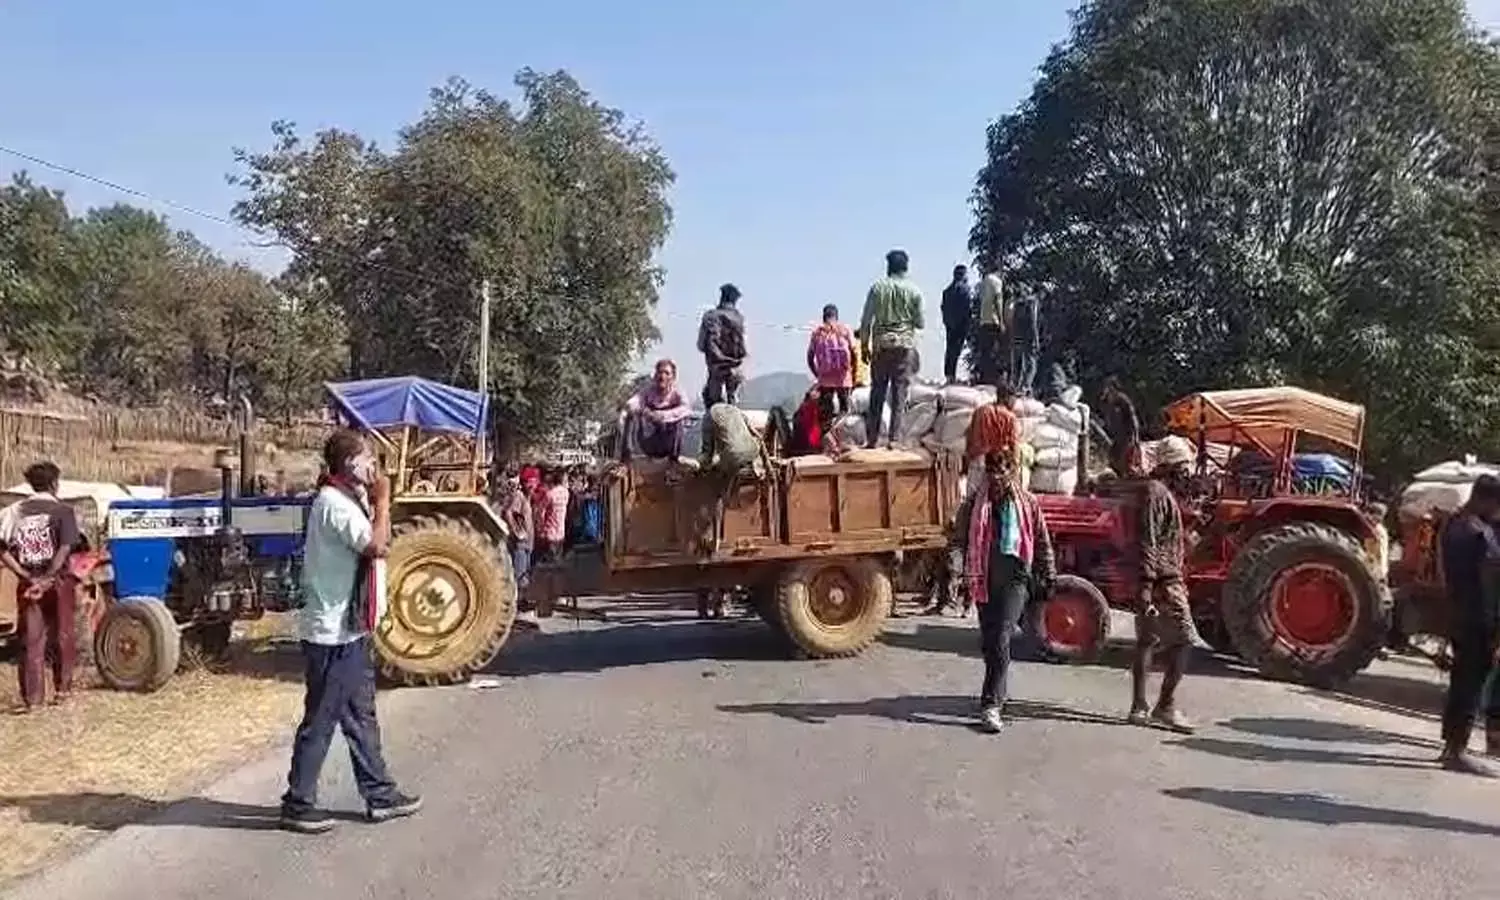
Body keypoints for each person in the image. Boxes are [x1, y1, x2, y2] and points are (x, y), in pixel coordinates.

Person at [281, 430, 420, 833]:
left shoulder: (347, 499)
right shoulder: (334, 504)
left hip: (349, 630)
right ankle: (297, 803)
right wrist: (383, 501)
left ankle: (380, 795)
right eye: (367, 458)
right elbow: (376, 546)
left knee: (361, 716)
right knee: (321, 719)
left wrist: (376, 503)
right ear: (348, 464)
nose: (373, 465)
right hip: (331, 633)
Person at [950, 446, 1056, 733]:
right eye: (992, 470)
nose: (997, 476)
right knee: (989, 643)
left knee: (1001, 637)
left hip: (1015, 581)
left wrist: (1048, 573)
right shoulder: (973, 504)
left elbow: (1042, 540)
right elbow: (958, 541)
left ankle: (991, 705)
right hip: (983, 580)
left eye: (1003, 470)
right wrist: (957, 570)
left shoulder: (1027, 503)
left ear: (1012, 471)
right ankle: (999, 689)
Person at [1127, 435, 1197, 734]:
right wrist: (1147, 584)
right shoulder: (1157, 494)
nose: (1187, 476)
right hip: (1163, 581)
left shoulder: (1156, 492)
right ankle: (1164, 706)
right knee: (1185, 639)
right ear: (1172, 467)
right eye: (1184, 469)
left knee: (1148, 640)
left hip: (1155, 579)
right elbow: (1149, 540)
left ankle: (1139, 707)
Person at [0, 461, 80, 713]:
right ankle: (63, 691)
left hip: (29, 581)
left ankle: (33, 699)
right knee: (63, 634)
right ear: (54, 484)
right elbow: (65, 548)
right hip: (57, 581)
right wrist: (48, 579)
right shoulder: (64, 512)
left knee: (32, 639)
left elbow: (2, 549)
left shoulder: (14, 512)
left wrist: (24, 574)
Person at [1436, 474, 1500, 775]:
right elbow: (1489, 585)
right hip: (1478, 621)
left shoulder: (1453, 525)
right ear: (1488, 500)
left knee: (1461, 681)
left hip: (1460, 615)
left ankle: (1451, 746)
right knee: (1470, 685)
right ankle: (1456, 751)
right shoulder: (1479, 535)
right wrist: (1495, 627)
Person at [859, 249, 925, 449]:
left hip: (881, 346)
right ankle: (894, 439)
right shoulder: (914, 291)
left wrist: (864, 346)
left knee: (877, 393)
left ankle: (872, 439)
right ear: (906, 267)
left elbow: (866, 321)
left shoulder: (877, 288)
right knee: (899, 394)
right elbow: (920, 323)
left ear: (888, 267)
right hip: (904, 347)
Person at [624, 359, 693, 460]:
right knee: (631, 415)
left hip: (669, 442)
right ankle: (626, 456)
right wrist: (645, 412)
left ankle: (673, 460)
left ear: (673, 377)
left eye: (666, 373)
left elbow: (686, 408)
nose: (662, 377)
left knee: (679, 422)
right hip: (649, 440)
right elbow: (634, 402)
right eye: (660, 372)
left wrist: (663, 416)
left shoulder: (678, 392)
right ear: (655, 375)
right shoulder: (649, 390)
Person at [698, 284, 747, 407]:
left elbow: (701, 345)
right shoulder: (739, 319)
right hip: (735, 366)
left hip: (715, 367)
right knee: (732, 403)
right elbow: (742, 349)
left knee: (713, 404)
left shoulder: (710, 316)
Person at [807, 304, 856, 426]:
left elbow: (810, 357)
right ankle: (837, 429)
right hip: (843, 378)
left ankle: (827, 431)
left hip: (825, 379)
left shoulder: (817, 333)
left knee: (826, 411)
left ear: (823, 317)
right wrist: (851, 371)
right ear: (836, 316)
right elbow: (854, 352)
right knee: (844, 409)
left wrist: (818, 374)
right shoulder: (845, 330)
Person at [1099, 376, 1141, 477]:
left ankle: (1125, 478)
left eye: (1108, 386)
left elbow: (1133, 418)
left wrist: (1136, 437)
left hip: (1126, 436)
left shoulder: (1123, 399)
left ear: (1112, 387)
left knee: (1123, 459)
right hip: (1116, 436)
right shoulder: (1107, 401)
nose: (1105, 389)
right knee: (1112, 458)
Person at [940, 265, 973, 384]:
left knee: (950, 349)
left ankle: (949, 375)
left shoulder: (947, 291)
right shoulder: (965, 289)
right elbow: (968, 308)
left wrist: (946, 321)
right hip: (961, 325)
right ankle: (952, 376)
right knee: (956, 350)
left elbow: (943, 307)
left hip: (950, 325)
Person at [975, 264, 1006, 387]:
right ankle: (991, 379)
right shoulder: (997, 282)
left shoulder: (983, 281)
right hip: (993, 320)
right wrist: (1001, 321)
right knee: (994, 351)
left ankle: (983, 377)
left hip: (983, 320)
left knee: (985, 352)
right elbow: (998, 301)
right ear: (999, 271)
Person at [1009, 285, 1041, 397]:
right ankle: (1025, 387)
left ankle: (1014, 386)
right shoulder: (1033, 302)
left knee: (1017, 364)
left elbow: (1012, 320)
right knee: (1031, 364)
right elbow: (1033, 321)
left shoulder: (1018, 303)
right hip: (1028, 337)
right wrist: (1036, 339)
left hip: (1017, 336)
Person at [536, 469, 570, 564]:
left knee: (549, 561)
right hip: (561, 531)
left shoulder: (550, 494)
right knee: (558, 560)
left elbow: (541, 511)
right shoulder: (566, 493)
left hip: (550, 531)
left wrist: (540, 527)